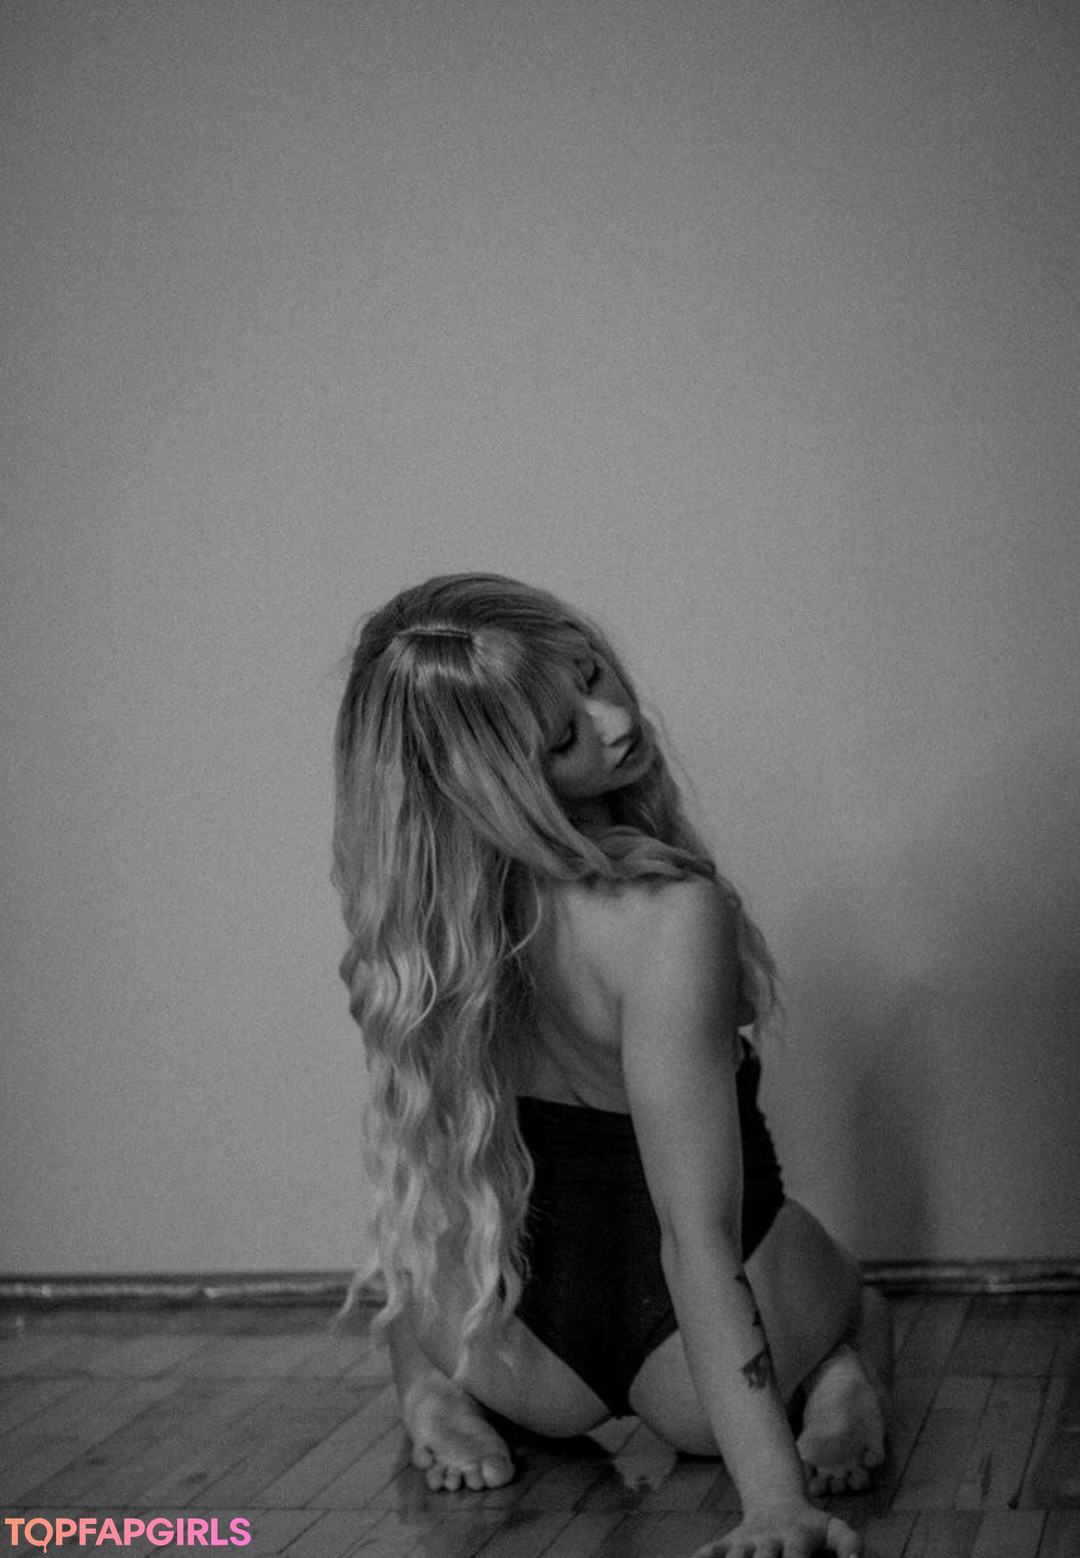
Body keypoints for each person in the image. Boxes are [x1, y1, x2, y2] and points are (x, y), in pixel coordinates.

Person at [332, 574, 892, 1558]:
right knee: (850, 1282)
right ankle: (841, 1365)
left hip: (508, 1346)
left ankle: (427, 1386)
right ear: (493, 778)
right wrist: (773, 1501)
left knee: (427, 1260)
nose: (617, 719)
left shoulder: (424, 937)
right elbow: (694, 1233)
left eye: (590, 673)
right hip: (690, 1374)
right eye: (562, 737)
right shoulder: (668, 918)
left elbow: (441, 1183)